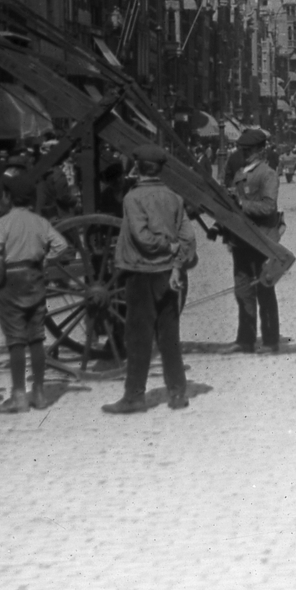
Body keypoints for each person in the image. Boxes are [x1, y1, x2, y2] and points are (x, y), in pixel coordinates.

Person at [103, 146, 196, 414]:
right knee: (169, 336)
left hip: (141, 273)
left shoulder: (133, 198)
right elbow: (188, 238)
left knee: (138, 336)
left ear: (137, 168)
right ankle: (178, 393)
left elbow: (142, 238)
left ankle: (134, 397)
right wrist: (177, 263)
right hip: (168, 275)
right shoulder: (174, 198)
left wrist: (166, 246)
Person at [0, 176, 68, 414]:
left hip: (10, 281)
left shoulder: (2, 224)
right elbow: (62, 246)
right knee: (36, 337)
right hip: (34, 278)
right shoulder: (40, 222)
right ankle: (39, 393)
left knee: (16, 340)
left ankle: (19, 395)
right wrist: (45, 261)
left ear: (8, 197)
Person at [227, 129, 293, 355]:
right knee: (242, 290)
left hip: (263, 240)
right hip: (242, 241)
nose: (244, 154)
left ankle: (270, 341)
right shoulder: (240, 173)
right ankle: (245, 340)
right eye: (243, 150)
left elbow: (268, 207)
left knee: (264, 291)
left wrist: (241, 203)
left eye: (249, 150)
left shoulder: (268, 174)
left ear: (260, 150)